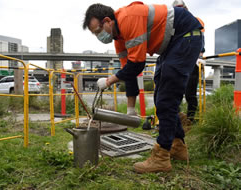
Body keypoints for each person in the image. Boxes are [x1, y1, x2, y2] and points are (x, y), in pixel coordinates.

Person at [83, 1, 203, 173]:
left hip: (186, 36)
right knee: (159, 97)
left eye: (98, 31)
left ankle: (161, 156)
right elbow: (129, 72)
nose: (98, 36)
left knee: (166, 98)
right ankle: (177, 146)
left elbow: (137, 64)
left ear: (108, 21)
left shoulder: (128, 18)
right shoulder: (119, 40)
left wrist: (109, 81)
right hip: (172, 45)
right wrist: (130, 110)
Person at [173, 0, 206, 123]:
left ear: (186, 8)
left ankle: (190, 120)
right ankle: (178, 118)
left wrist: (200, 54)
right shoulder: (174, 24)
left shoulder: (195, 21)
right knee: (176, 92)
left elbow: (200, 40)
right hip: (178, 61)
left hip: (192, 62)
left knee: (190, 93)